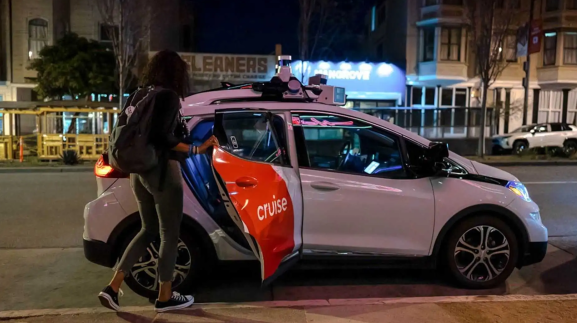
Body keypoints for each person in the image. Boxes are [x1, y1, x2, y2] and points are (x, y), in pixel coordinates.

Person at [98, 50, 218, 313]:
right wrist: (198, 148)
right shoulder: (168, 96)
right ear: (176, 72)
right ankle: (165, 296)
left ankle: (112, 288)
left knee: (148, 229)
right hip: (162, 172)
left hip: (139, 174)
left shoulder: (140, 93)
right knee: (169, 235)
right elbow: (165, 138)